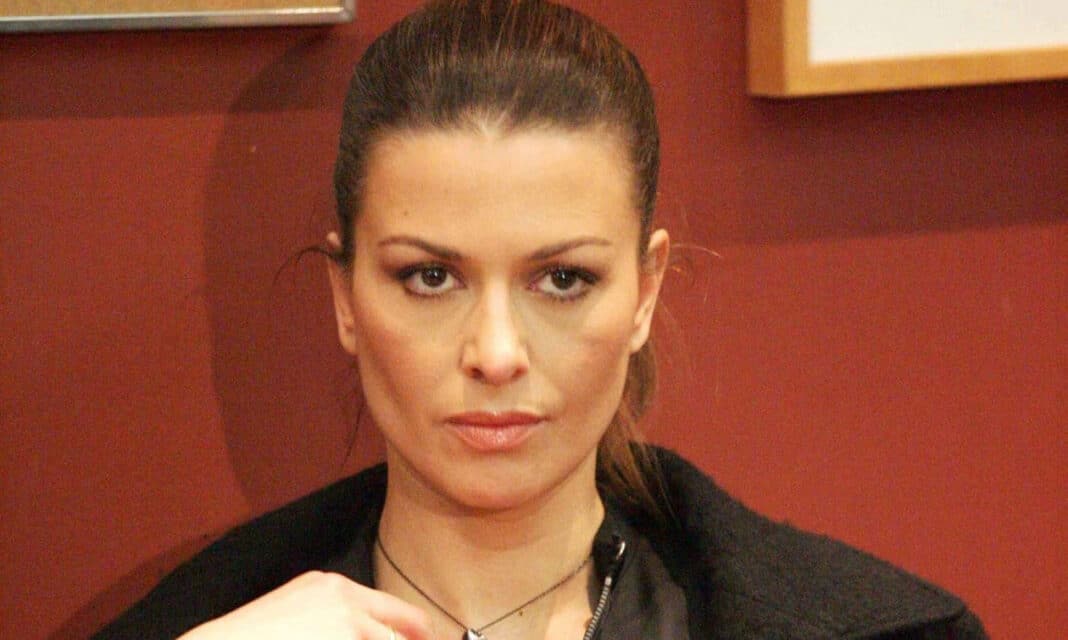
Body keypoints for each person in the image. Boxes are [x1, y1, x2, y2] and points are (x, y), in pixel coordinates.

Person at [93, 1, 988, 638]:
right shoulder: (194, 627)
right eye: (431, 277)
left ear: (644, 292)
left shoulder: (890, 630)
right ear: (346, 297)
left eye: (561, 279)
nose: (496, 353)